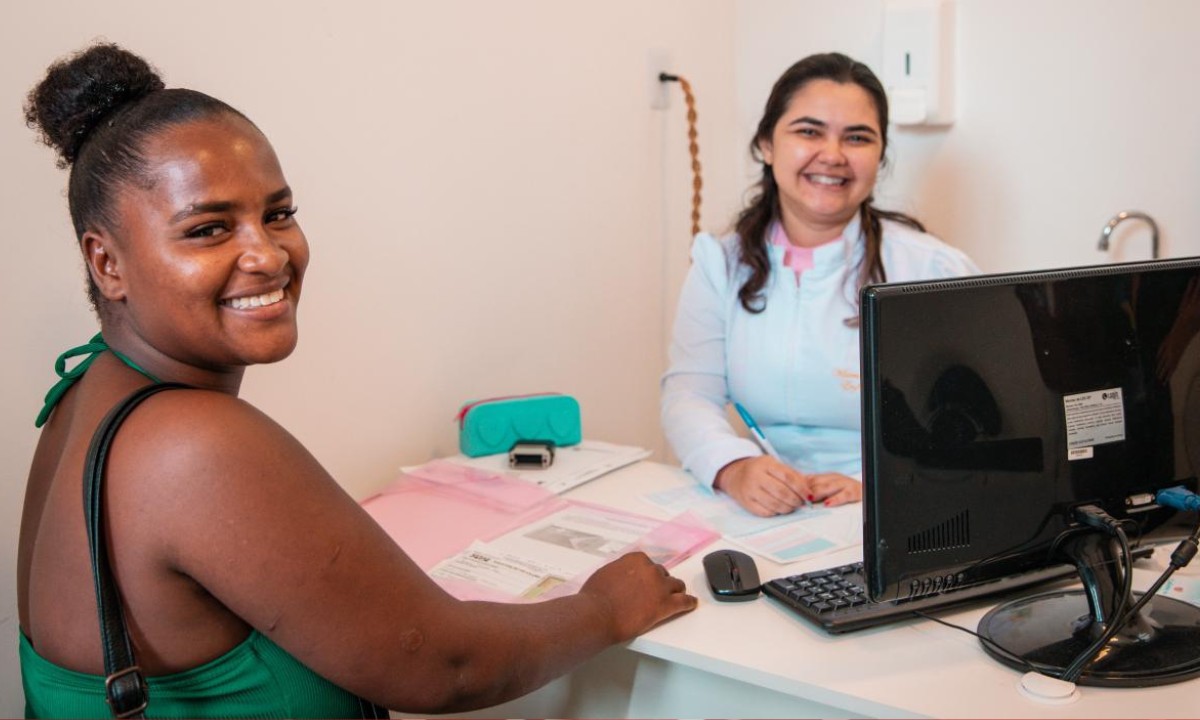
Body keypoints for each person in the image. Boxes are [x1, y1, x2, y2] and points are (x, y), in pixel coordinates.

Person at [17, 43, 696, 718]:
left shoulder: (84, 391)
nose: (267, 254)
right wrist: (604, 609)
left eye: (278, 214)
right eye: (210, 229)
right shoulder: (192, 444)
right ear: (107, 264)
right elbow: (446, 666)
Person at [661, 52, 979, 518]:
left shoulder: (932, 270)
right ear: (767, 145)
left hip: (895, 508)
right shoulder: (719, 263)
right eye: (809, 131)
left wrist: (880, 484)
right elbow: (689, 394)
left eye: (857, 137)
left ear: (880, 157)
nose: (832, 155)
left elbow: (971, 423)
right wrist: (733, 467)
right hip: (763, 507)